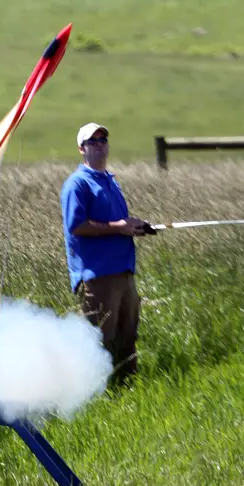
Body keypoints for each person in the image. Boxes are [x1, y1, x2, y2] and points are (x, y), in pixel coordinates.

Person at [60, 122, 149, 381]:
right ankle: (94, 393)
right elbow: (76, 226)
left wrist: (135, 227)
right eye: (92, 142)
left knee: (128, 336)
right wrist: (119, 227)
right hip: (98, 275)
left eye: (103, 140)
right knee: (99, 341)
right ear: (81, 149)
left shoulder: (110, 180)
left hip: (124, 272)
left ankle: (128, 392)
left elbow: (117, 223)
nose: (99, 145)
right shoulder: (77, 184)